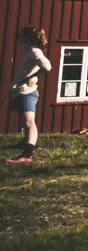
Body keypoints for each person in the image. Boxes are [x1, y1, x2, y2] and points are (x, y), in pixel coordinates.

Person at [5, 26, 52, 164]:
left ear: (26, 38)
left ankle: (27, 154)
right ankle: (26, 142)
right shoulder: (29, 51)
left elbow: (47, 66)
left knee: (29, 122)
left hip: (27, 92)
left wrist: (30, 77)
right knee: (25, 123)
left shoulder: (34, 51)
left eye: (20, 35)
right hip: (21, 91)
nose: (17, 37)